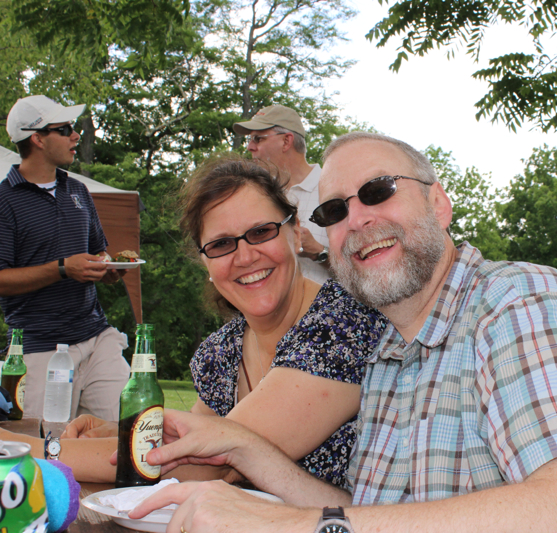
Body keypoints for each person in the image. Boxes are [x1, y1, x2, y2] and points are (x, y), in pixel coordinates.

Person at [132, 132, 557, 533]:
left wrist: (286, 525)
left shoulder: (519, 301)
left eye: (378, 191)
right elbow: (372, 518)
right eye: (333, 210)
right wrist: (246, 450)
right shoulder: (388, 356)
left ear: (438, 204)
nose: (357, 219)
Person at [0, 154, 385, 486]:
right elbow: (191, 432)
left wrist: (26, 448)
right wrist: (121, 432)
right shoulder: (223, 350)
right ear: (205, 262)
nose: (245, 257)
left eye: (261, 232)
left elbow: (209, 460)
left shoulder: (342, 326)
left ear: (296, 232)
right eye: (221, 244)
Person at [0, 95, 130, 421]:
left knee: (126, 433)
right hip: (40, 349)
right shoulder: (4, 201)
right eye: (65, 129)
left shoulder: (78, 191)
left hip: (97, 337)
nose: (75, 136)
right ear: (37, 138)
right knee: (46, 444)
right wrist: (62, 269)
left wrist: (107, 267)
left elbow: (98, 251)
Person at [233, 104, 330, 284]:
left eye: (258, 139)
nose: (249, 147)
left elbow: (366, 269)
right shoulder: (260, 196)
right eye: (250, 139)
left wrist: (318, 252)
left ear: (286, 141)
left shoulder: (334, 189)